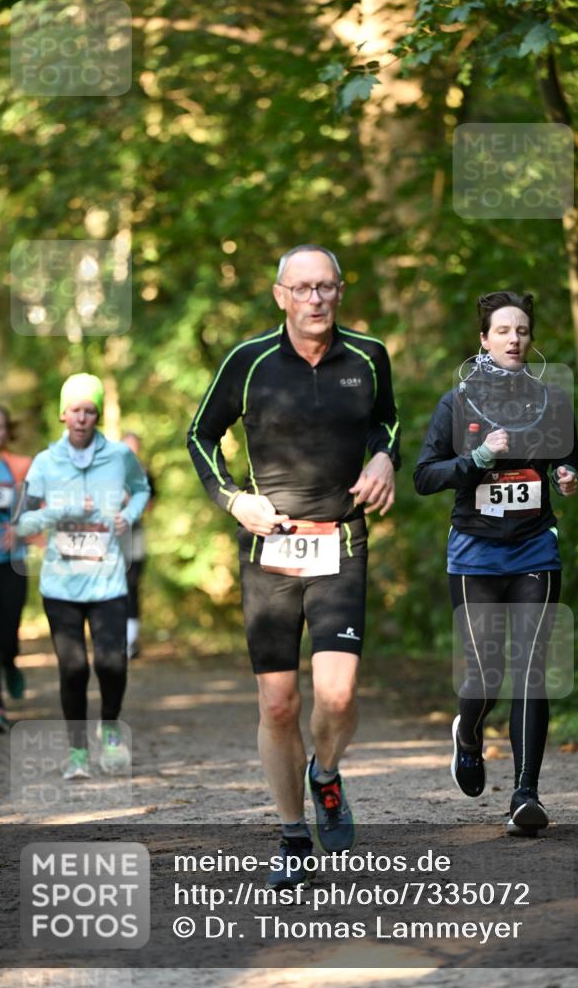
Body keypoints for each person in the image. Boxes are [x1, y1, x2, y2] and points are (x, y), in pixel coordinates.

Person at [188, 244, 400, 883]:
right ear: (280, 295)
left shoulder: (368, 356)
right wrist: (234, 500)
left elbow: (386, 424)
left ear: (340, 292)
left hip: (341, 542)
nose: (315, 298)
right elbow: (200, 434)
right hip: (269, 548)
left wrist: (384, 457)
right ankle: (292, 836)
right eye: (302, 288)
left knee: (337, 694)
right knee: (278, 705)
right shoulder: (248, 361)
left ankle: (325, 774)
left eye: (326, 287)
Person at [414, 291, 578, 835]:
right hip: (475, 552)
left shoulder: (551, 400)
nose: (514, 339)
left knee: (532, 670)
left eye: (522, 331)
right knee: (487, 673)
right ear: (484, 339)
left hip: (535, 548)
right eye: (503, 330)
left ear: (531, 340)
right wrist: (478, 459)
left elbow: (566, 456)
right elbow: (424, 476)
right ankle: (468, 733)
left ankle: (526, 795)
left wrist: (566, 475)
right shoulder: (457, 402)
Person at [15, 374, 150, 779]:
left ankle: (110, 728)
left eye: (90, 411)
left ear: (97, 415)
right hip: (61, 584)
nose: (82, 418)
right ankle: (77, 753)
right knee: (73, 670)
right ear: (63, 414)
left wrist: (128, 515)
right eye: (75, 410)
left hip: (108, 581)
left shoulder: (119, 456)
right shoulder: (45, 462)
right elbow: (23, 522)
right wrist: (61, 511)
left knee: (112, 664)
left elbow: (141, 489)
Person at [0, 406, 31, 732]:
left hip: (12, 563)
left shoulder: (18, 467)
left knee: (8, 635)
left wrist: (19, 528)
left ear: (7, 432)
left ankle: (10, 663)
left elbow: (36, 508)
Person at [121, 433, 156, 659]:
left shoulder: (145, 473)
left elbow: (151, 503)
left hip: (135, 538)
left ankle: (130, 640)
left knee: (132, 586)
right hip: (111, 540)